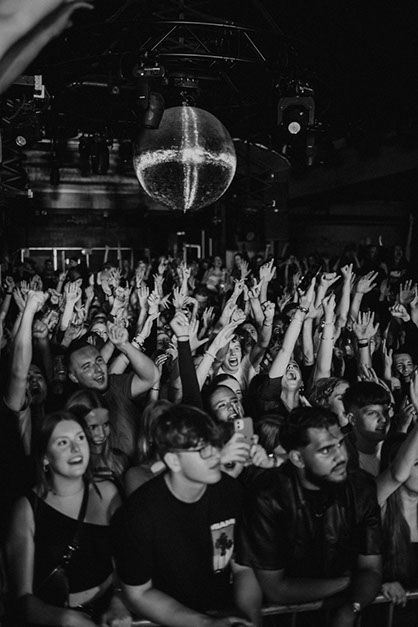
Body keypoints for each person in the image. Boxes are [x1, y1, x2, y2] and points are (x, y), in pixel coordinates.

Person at [236, 406, 382, 627]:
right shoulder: (267, 497)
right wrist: (354, 583)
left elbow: (371, 568)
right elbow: (277, 589)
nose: (341, 456)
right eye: (326, 450)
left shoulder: (361, 488)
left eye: (340, 444)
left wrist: (352, 608)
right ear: (297, 458)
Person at [112, 404, 255, 627]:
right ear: (173, 461)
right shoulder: (139, 514)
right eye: (202, 450)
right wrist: (206, 624)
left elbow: (243, 568)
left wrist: (249, 620)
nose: (215, 455)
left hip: (222, 611)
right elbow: (139, 594)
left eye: (215, 445)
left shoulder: (231, 491)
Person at [5, 410, 130, 627]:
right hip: (53, 618)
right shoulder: (27, 508)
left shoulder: (108, 492)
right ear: (45, 457)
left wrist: (119, 602)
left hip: (108, 614)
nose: (76, 448)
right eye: (63, 442)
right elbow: (22, 601)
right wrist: (64, 618)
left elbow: (128, 561)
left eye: (80, 438)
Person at [66, 323, 159, 461]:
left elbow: (151, 377)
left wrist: (124, 345)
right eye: (86, 367)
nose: (98, 370)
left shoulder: (115, 384)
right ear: (73, 377)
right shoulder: (74, 409)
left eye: (99, 361)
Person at [65, 390, 129, 493]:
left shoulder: (120, 461)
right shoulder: (63, 468)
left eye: (106, 424)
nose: (101, 434)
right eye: (93, 427)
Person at [343, 381, 392, 476]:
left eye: (385, 412)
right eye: (372, 413)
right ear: (352, 419)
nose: (383, 419)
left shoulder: (395, 446)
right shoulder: (340, 456)